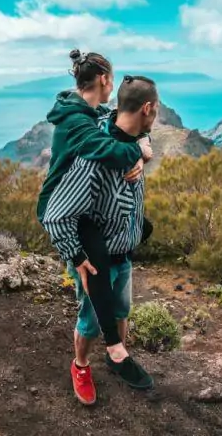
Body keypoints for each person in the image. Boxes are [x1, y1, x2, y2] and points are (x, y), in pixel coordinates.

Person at [41, 74, 160, 405]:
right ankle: (80, 365)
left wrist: (141, 151)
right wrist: (77, 256)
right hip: (96, 260)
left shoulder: (131, 141)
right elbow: (56, 215)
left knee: (121, 311)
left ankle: (116, 356)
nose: (158, 115)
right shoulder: (95, 158)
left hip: (124, 252)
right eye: (158, 109)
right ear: (147, 108)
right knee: (90, 322)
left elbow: (134, 140)